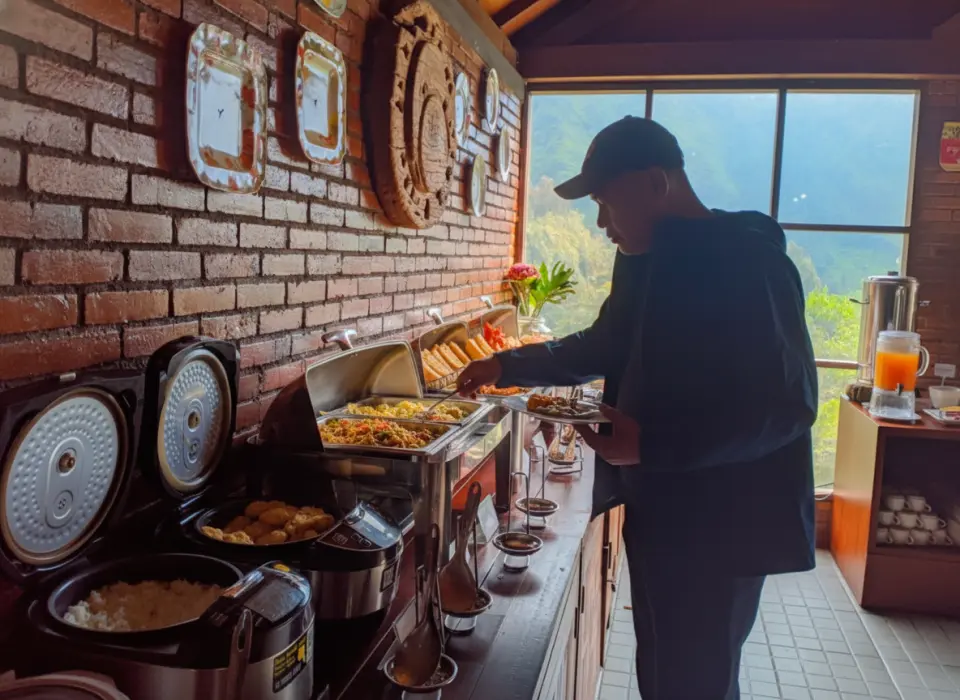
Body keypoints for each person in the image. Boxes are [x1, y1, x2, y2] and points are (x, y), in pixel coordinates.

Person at [458, 117, 818, 700]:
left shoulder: (749, 260)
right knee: (663, 668)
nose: (601, 224)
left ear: (656, 182)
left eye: (605, 203)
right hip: (662, 507)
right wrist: (507, 366)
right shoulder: (648, 258)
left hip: (722, 524)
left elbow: (785, 406)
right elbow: (606, 344)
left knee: (697, 679)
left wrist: (652, 444)